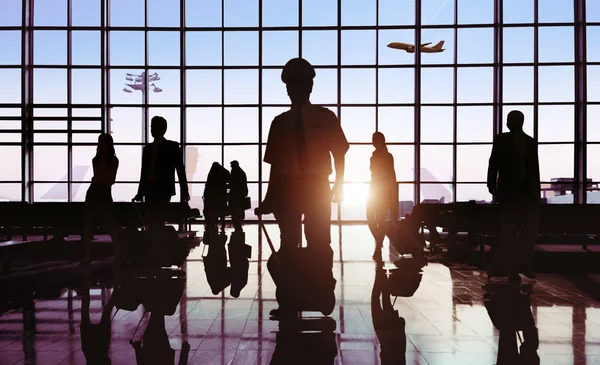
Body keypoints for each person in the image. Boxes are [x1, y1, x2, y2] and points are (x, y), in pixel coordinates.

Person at [256, 57, 349, 256]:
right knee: (288, 242)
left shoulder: (325, 117)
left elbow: (339, 152)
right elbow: (276, 165)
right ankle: (293, 285)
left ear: (310, 86)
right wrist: (270, 197)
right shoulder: (279, 123)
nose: (293, 90)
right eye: (291, 85)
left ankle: (320, 283)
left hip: (316, 188)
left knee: (320, 243)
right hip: (289, 189)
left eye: (298, 84)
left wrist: (339, 184)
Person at [487, 110, 541, 283]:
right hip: (516, 193)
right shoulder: (520, 141)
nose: (507, 123)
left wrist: (492, 183)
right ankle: (515, 268)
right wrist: (491, 183)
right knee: (512, 233)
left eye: (509, 120)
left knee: (524, 233)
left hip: (522, 193)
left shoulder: (524, 142)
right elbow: (494, 162)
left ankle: (519, 266)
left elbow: (494, 163)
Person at [133, 116, 190, 262]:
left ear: (163, 129)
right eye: (152, 126)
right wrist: (140, 192)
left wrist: (184, 189)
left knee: (157, 219)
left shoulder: (172, 147)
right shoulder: (148, 148)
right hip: (151, 189)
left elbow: (180, 169)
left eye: (155, 126)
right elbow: (143, 172)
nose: (152, 129)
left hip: (162, 190)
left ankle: (157, 250)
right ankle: (157, 250)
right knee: (154, 220)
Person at [81, 133, 121, 266]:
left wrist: (99, 180)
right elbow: (108, 179)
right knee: (91, 225)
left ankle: (118, 254)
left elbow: (106, 179)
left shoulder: (103, 160)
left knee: (108, 224)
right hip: (99, 191)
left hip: (99, 191)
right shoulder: (105, 160)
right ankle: (87, 256)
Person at [367, 132, 398, 261]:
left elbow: (392, 174)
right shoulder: (373, 157)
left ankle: (378, 246)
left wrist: (392, 194)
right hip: (374, 188)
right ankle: (379, 242)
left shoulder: (388, 156)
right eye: (373, 140)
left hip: (383, 190)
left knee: (379, 219)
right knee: (371, 219)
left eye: (376, 140)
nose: (374, 142)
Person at [203, 162, 230, 233]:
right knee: (221, 212)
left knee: (213, 211)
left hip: (213, 198)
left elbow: (208, 186)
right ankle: (222, 224)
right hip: (220, 197)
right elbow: (228, 176)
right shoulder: (221, 174)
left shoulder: (211, 175)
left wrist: (205, 196)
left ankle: (213, 224)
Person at [228, 160, 248, 232]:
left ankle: (236, 221)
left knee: (235, 209)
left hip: (235, 195)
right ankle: (238, 222)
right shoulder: (241, 172)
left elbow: (231, 183)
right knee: (239, 209)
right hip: (240, 194)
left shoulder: (235, 173)